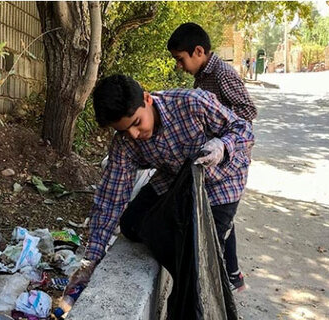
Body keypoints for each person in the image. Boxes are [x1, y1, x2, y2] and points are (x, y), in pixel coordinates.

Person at [66, 74, 254, 293]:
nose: (134, 135)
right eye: (123, 131)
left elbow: (244, 129)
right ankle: (186, 235)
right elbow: (110, 201)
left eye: (137, 123)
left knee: (201, 257)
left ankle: (218, 257)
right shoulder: (125, 143)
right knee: (131, 225)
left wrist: (222, 145)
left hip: (221, 180)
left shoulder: (192, 103)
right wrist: (91, 260)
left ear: (147, 99)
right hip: (173, 176)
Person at [167, 22, 257, 290]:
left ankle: (226, 281)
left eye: (180, 60)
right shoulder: (204, 75)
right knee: (218, 215)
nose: (179, 67)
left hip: (228, 159)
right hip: (212, 160)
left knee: (220, 216)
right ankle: (234, 275)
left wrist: (221, 139)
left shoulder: (222, 75)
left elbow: (248, 112)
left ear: (198, 51)